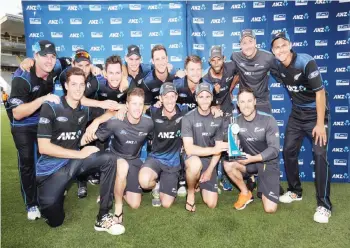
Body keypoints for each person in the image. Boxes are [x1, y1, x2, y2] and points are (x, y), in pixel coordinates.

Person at [36, 67, 124, 235]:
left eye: (81, 84)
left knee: (109, 159)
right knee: (55, 221)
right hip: (51, 169)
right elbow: (44, 147)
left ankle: (103, 216)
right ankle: (55, 195)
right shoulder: (52, 107)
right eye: (74, 84)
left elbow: (112, 111)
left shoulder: (84, 109)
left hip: (74, 163)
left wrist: (96, 121)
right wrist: (80, 153)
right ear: (66, 86)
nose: (78, 88)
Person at [271, 31, 332, 223]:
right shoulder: (277, 67)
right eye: (276, 47)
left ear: (290, 44)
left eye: (283, 45)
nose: (280, 50)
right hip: (297, 114)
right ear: (273, 51)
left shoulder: (305, 62)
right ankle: (295, 191)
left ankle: (324, 205)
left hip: (317, 113)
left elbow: (320, 93)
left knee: (320, 155)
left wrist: (320, 124)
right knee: (288, 150)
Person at [81, 88, 154, 226]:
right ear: (127, 105)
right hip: (115, 158)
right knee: (122, 166)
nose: (137, 108)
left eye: (140, 104)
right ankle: (118, 207)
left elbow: (154, 141)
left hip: (134, 159)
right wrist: (73, 145)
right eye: (134, 104)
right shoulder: (115, 122)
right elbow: (92, 137)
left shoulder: (148, 123)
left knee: (135, 204)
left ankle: (114, 191)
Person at [6, 40, 61, 220]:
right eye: (44, 55)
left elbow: (72, 63)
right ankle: (31, 204)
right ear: (35, 56)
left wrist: (95, 69)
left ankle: (47, 193)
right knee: (28, 161)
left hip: (41, 120)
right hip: (22, 124)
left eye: (52, 56)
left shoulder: (55, 67)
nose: (49, 60)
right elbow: (18, 113)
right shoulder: (22, 77)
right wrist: (44, 99)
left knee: (47, 157)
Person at [223, 88, 280, 213]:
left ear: (255, 102)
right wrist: (234, 152)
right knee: (227, 164)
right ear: (238, 104)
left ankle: (266, 181)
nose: (246, 105)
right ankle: (245, 193)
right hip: (249, 162)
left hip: (266, 163)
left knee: (270, 209)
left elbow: (275, 150)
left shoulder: (268, 120)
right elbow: (233, 149)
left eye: (249, 101)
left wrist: (253, 158)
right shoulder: (235, 122)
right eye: (242, 102)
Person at [139, 83, 189, 207]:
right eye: (166, 97)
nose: (170, 100)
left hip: (173, 163)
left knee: (166, 204)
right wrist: (123, 108)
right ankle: (156, 185)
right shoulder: (152, 111)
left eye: (172, 96)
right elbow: (135, 109)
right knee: (144, 181)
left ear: (177, 97)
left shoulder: (184, 111)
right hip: (155, 159)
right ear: (160, 98)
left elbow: (201, 110)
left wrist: (214, 108)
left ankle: (172, 181)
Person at [181, 82, 227, 212]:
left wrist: (209, 170)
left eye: (208, 96)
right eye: (201, 96)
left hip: (209, 160)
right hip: (192, 157)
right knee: (195, 165)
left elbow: (218, 149)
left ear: (212, 98)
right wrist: (214, 150)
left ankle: (199, 182)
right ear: (196, 98)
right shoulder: (188, 118)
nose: (205, 100)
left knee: (211, 203)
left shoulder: (218, 117)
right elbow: (189, 149)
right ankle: (190, 192)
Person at [230, 29, 282, 113]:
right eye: (244, 43)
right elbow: (235, 75)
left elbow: (281, 76)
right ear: (240, 45)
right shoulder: (235, 57)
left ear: (255, 42)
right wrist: (230, 91)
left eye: (250, 41)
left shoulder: (268, 57)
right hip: (245, 102)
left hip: (262, 102)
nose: (248, 46)